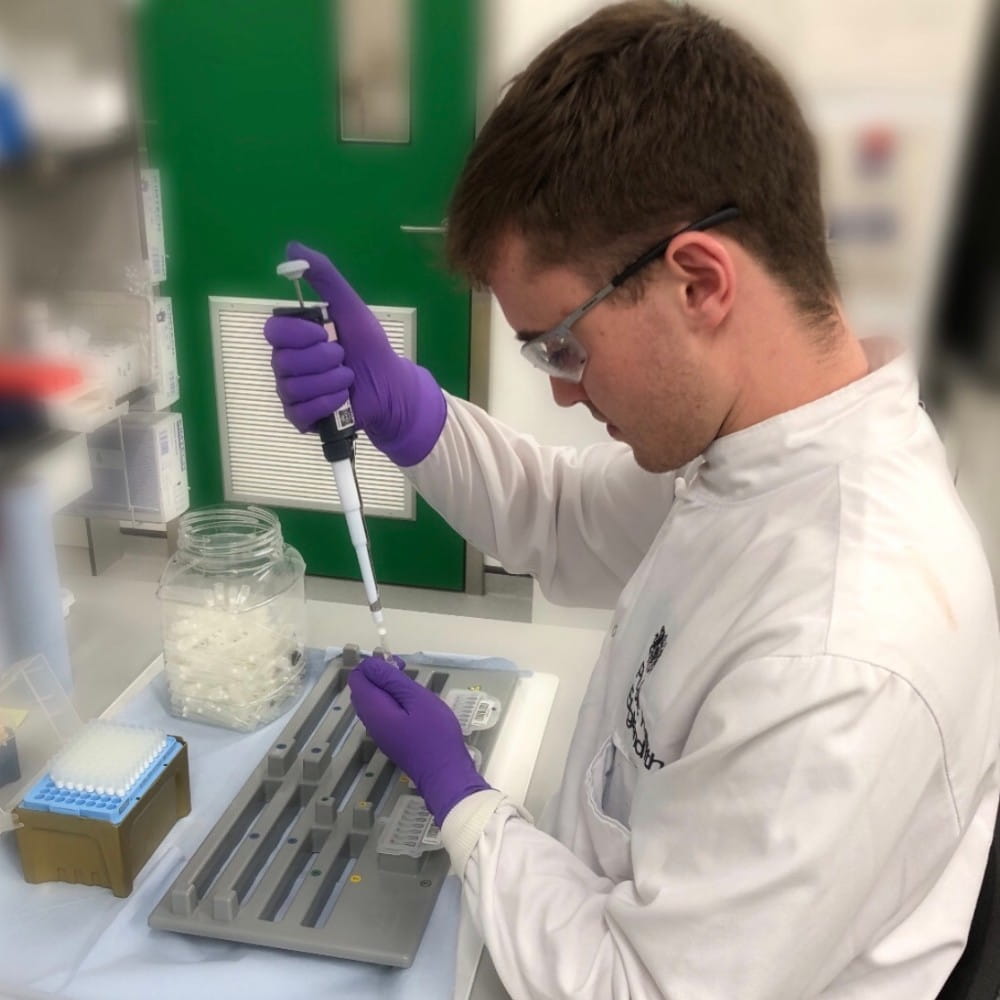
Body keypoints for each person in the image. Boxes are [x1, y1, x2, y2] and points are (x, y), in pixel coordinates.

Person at [264, 3, 1000, 996]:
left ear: (698, 281)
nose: (561, 388)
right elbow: (568, 519)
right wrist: (412, 415)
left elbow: (633, 987)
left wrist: (463, 799)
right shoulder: (758, 449)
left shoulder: (842, 641)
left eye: (561, 343)